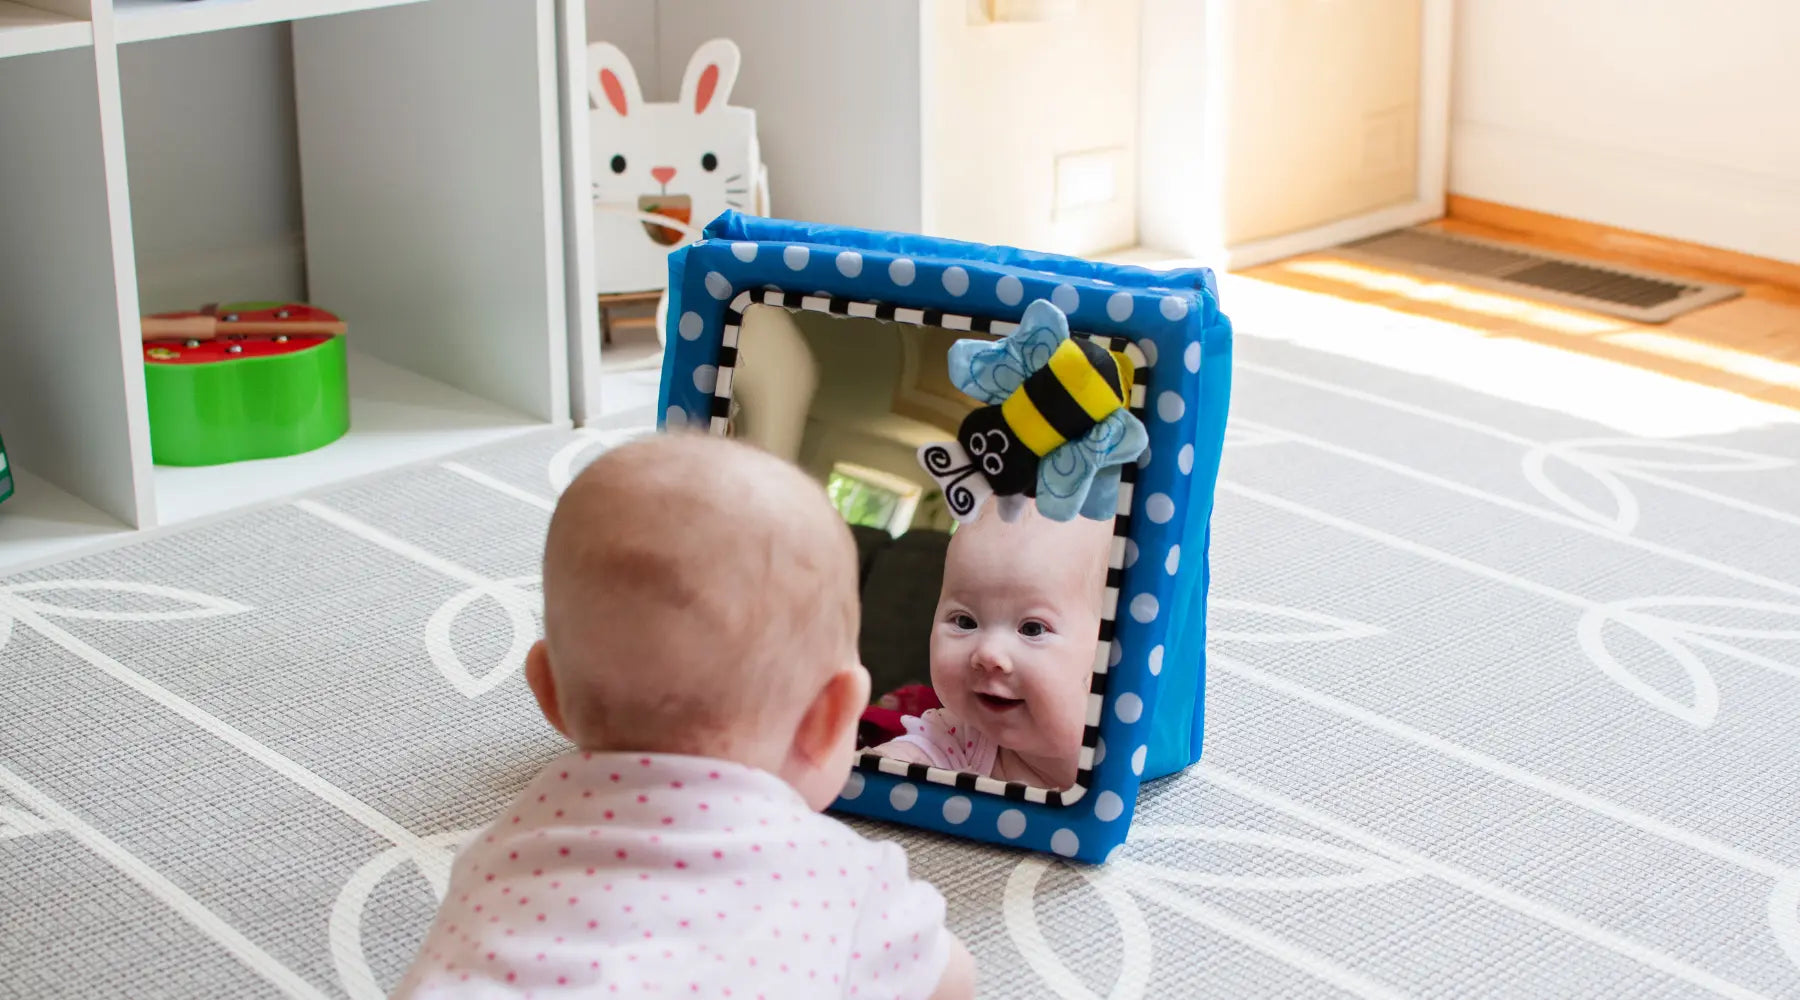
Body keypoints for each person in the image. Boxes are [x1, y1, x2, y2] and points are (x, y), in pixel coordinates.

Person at [392, 432, 975, 999]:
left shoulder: (503, 850)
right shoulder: (845, 884)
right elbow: (952, 979)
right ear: (831, 717)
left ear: (547, 691)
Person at [870, 499, 1111, 790]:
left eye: (1032, 628)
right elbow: (896, 764)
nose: (988, 653)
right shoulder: (957, 737)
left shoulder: (1136, 761)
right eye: (965, 621)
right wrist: (874, 769)